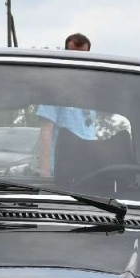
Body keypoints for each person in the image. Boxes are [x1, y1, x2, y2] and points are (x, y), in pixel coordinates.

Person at [37, 32, 95, 177]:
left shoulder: (90, 89)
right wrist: (45, 173)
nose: (77, 61)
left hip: (88, 169)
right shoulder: (55, 87)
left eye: (82, 57)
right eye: (73, 55)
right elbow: (46, 131)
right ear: (66, 54)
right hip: (59, 170)